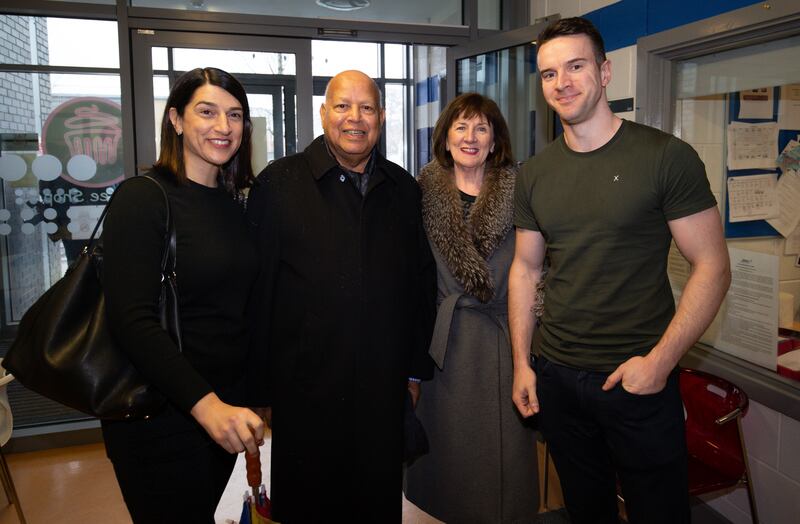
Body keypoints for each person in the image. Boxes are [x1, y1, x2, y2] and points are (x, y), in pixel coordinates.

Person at [509, 17, 731, 524]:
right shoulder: (535, 174)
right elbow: (525, 270)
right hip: (559, 379)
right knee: (586, 512)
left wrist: (659, 362)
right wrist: (523, 362)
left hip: (637, 381)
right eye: (548, 74)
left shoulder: (665, 158)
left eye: (575, 66)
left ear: (605, 72)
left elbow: (713, 267)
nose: (562, 82)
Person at [246, 70, 436, 523]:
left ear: (383, 117)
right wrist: (257, 387)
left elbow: (420, 285)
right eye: (343, 106)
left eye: (367, 107)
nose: (355, 118)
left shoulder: (403, 189)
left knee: (375, 503)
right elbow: (257, 292)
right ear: (323, 113)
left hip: (382, 388)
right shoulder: (279, 185)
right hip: (303, 391)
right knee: (310, 506)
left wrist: (413, 370)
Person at [101, 67, 266, 523]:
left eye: (235, 115)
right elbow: (131, 320)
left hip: (226, 414)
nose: (223, 127)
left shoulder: (237, 204)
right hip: (161, 417)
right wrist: (205, 404)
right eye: (207, 112)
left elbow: (238, 311)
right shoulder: (143, 198)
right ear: (175, 119)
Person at [404, 93, 539, 522]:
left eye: (481, 128)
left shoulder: (522, 190)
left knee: (499, 469)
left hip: (502, 340)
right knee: (446, 464)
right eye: (460, 127)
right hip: (442, 347)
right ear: (445, 140)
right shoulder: (419, 193)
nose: (470, 137)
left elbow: (539, 266)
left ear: (495, 139)